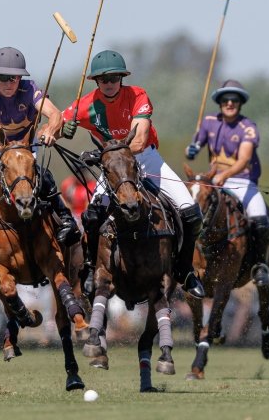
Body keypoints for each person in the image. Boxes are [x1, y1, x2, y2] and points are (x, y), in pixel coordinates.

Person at [60, 49, 205, 298]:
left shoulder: (137, 95)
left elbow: (138, 140)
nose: (109, 84)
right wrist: (61, 127)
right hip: (115, 168)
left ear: (122, 79)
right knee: (92, 217)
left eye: (114, 78)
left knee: (191, 213)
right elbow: (51, 124)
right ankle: (91, 268)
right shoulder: (85, 105)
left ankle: (185, 270)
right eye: (103, 79)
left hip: (145, 158)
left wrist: (106, 153)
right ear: (96, 81)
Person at [0, 46, 81, 281]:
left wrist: (51, 131)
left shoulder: (30, 90)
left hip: (25, 150)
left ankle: (67, 223)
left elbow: (54, 114)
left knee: (46, 180)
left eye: (14, 77)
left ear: (21, 77)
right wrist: (11, 152)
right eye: (3, 78)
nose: (9, 83)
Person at [184, 79, 269, 287]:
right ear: (220, 102)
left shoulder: (248, 127)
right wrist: (193, 149)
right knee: (187, 211)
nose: (229, 103)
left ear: (240, 103)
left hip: (242, 182)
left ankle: (259, 265)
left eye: (234, 100)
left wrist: (225, 175)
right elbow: (197, 142)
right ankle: (181, 260)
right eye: (225, 99)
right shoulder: (209, 122)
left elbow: (243, 160)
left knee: (261, 220)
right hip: (213, 183)